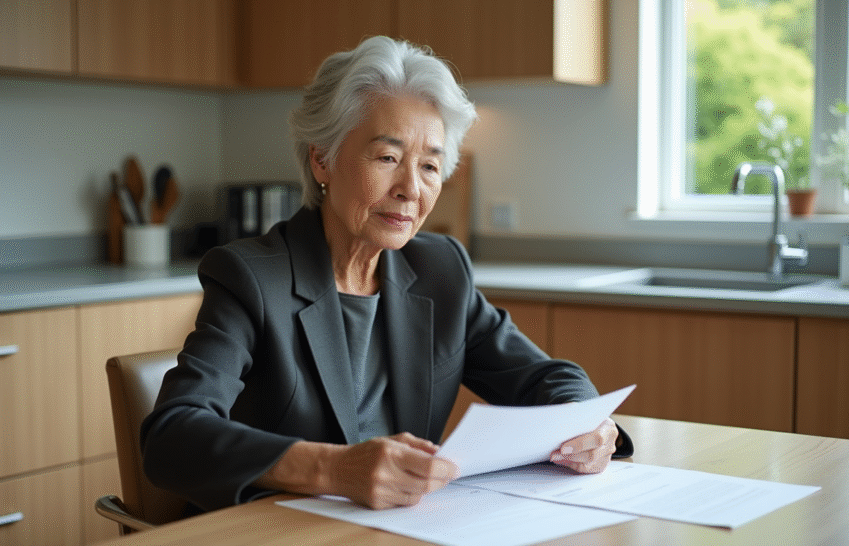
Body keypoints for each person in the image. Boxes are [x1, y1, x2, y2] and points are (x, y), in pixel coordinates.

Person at [141, 36, 632, 513]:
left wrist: (588, 425)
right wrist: (332, 469)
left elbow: (546, 378)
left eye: (430, 167)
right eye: (388, 158)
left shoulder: (440, 269)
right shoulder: (251, 276)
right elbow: (173, 435)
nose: (410, 190)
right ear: (322, 159)